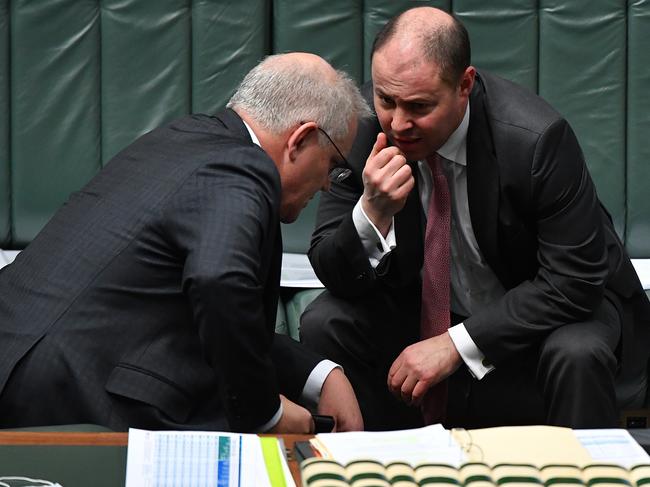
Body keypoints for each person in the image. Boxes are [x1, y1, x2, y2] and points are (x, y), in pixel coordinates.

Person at [300, 7, 650, 430]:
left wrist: (455, 344)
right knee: (325, 320)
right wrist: (372, 211)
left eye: (419, 106)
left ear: (464, 84)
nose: (398, 123)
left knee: (578, 350)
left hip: (536, 315)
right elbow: (332, 269)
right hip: (420, 309)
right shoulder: (364, 131)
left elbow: (573, 280)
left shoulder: (535, 140)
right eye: (386, 100)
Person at [0, 52, 371, 433]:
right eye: (332, 164)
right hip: (63, 406)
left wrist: (320, 374)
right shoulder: (243, 166)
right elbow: (218, 281)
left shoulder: (182, 139)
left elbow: (190, 307)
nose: (328, 183)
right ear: (301, 139)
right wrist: (265, 414)